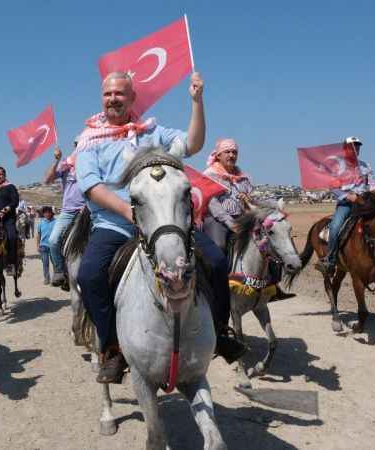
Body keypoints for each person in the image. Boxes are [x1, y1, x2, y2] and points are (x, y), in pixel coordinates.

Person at [75, 71, 246, 383]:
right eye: (108, 94)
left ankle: (221, 332)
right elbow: (91, 187)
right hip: (116, 223)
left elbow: (192, 143)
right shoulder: (88, 140)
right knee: (89, 275)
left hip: (163, 222)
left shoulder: (151, 132)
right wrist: (128, 210)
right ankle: (112, 347)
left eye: (119, 94)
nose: (113, 99)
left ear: (132, 97)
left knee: (218, 263)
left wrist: (197, 102)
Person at [202, 138, 295, 301]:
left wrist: (257, 201)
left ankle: (273, 285)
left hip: (243, 218)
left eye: (234, 152)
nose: (231, 155)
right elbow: (212, 203)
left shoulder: (243, 177)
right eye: (227, 152)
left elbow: (255, 199)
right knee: (219, 246)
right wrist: (230, 223)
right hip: (217, 219)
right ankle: (214, 287)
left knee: (269, 240)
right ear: (218, 155)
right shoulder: (210, 175)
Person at [316, 136, 375, 276]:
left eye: (358, 146)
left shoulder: (365, 166)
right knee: (335, 226)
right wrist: (349, 196)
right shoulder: (337, 167)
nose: (356, 148)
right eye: (352, 146)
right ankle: (330, 260)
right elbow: (333, 187)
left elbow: (371, 184)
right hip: (346, 204)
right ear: (345, 149)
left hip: (365, 204)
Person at [43, 141, 86, 289]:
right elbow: (47, 180)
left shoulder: (92, 163)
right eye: (77, 144)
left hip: (89, 211)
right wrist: (56, 160)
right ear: (74, 147)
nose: (80, 147)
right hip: (68, 212)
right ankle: (60, 271)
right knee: (53, 240)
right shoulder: (65, 165)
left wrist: (88, 205)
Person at [36, 206, 56, 285]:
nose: (47, 214)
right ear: (43, 214)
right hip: (43, 246)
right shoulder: (41, 223)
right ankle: (46, 279)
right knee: (45, 263)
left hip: (53, 246)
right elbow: (38, 235)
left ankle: (56, 279)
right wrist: (37, 245)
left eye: (48, 212)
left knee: (55, 263)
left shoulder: (56, 222)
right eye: (45, 212)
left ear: (51, 213)